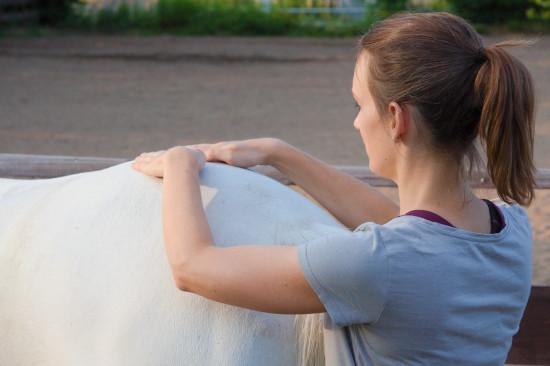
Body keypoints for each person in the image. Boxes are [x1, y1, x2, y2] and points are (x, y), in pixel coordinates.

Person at [131, 12, 535, 365]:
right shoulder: (511, 230)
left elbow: (194, 269)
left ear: (396, 118)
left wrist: (181, 163)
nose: (357, 122)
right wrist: (279, 153)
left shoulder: (375, 263)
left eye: (359, 105)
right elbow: (414, 236)